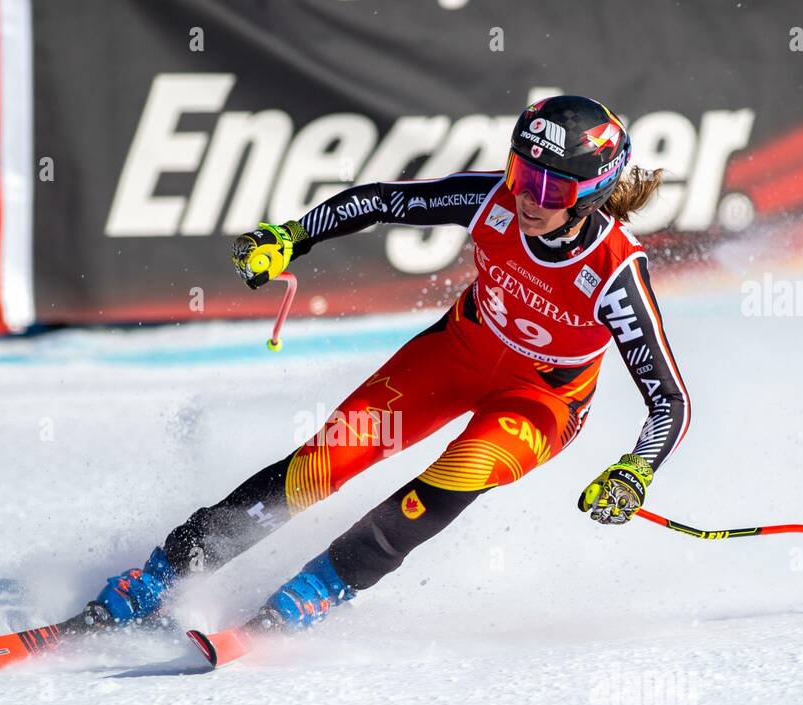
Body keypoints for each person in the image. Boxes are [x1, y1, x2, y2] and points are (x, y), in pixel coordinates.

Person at [90, 95, 689, 633]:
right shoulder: (493, 200)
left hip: (539, 401)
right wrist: (292, 237)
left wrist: (637, 469)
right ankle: (163, 574)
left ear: (590, 194)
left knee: (462, 468)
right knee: (322, 463)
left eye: (552, 189)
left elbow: (669, 399)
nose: (529, 197)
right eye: (521, 172)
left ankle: (321, 588)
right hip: (458, 353)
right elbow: (384, 201)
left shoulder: (613, 272)